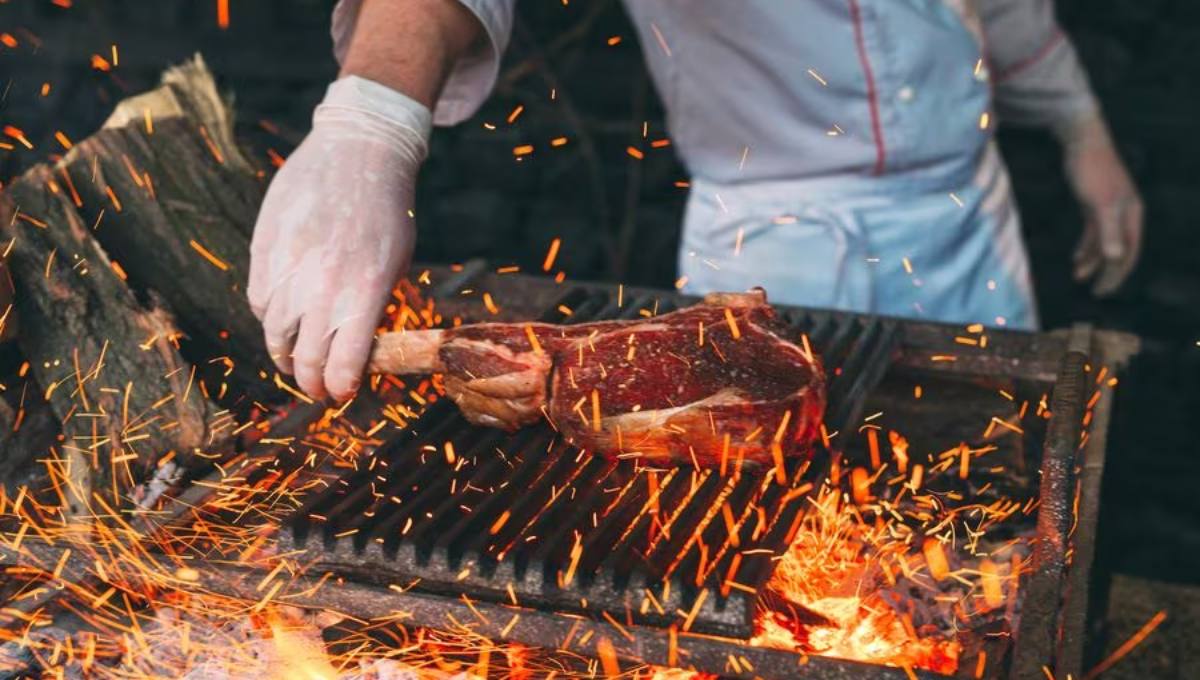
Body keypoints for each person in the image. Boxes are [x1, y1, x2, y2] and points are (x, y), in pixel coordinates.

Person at [248, 0, 1143, 402]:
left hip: (963, 214)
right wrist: (374, 116)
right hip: (777, 232)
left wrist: (1080, 125)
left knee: (988, 513)